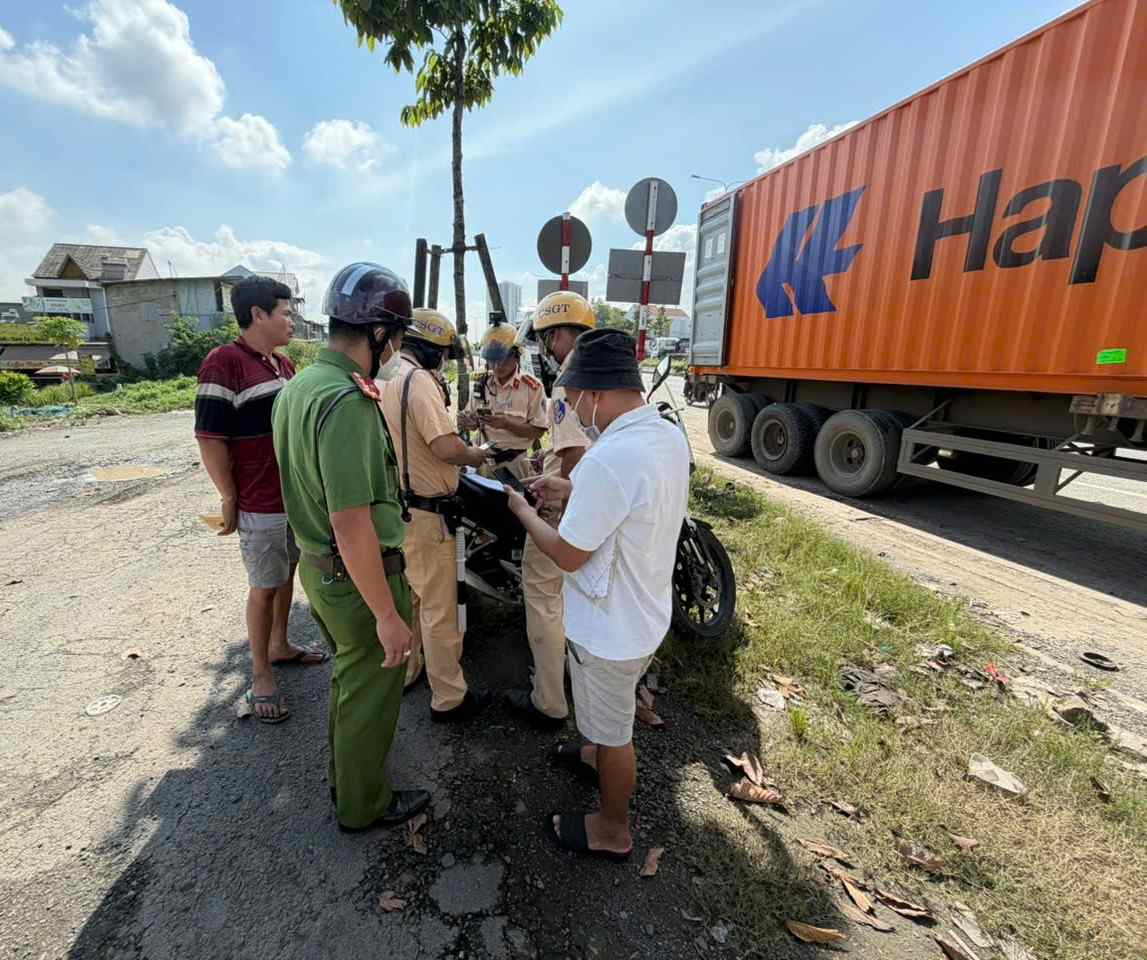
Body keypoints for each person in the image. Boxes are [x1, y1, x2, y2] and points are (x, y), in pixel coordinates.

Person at [507, 328, 690, 861]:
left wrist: (522, 513)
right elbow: (631, 504)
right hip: (644, 612)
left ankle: (613, 829)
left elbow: (567, 554)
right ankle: (592, 752)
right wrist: (574, 490)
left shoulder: (610, 458)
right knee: (605, 724)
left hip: (611, 631)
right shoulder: (663, 436)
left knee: (617, 736)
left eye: (572, 398)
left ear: (598, 393)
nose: (571, 408)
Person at [271, 262, 430, 830]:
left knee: (350, 678)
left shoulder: (300, 387)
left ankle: (346, 779)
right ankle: (363, 804)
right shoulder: (349, 402)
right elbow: (352, 522)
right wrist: (388, 614)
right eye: (399, 335)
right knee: (373, 689)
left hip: (320, 568)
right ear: (381, 334)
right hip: (358, 575)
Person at [195, 274, 325, 726]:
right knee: (264, 584)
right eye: (286, 313)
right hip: (259, 501)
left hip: (292, 497)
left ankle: (280, 644)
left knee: (287, 571)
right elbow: (210, 438)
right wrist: (229, 496)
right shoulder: (223, 363)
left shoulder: (282, 366)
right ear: (258, 314)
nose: (292, 321)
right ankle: (260, 674)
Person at [379, 309, 492, 723]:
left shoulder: (391, 377)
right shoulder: (420, 381)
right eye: (442, 353)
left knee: (414, 597)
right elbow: (445, 448)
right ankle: (449, 698)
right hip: (430, 515)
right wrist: (476, 454)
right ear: (429, 347)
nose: (443, 360)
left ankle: (410, 671)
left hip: (408, 509)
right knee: (442, 609)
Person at [503, 291, 595, 729]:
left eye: (547, 340)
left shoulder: (566, 382)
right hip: (598, 500)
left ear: (557, 334)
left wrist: (560, 496)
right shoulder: (608, 372)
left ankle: (550, 700)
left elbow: (574, 449)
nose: (548, 351)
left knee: (541, 595)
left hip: (566, 503)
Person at [459, 324, 546, 479]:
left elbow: (538, 431)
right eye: (492, 361)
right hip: (482, 463)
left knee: (513, 502)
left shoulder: (532, 387)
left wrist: (506, 424)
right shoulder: (482, 383)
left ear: (516, 355)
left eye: (503, 359)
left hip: (514, 465)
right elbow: (471, 420)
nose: (497, 366)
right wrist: (469, 422)